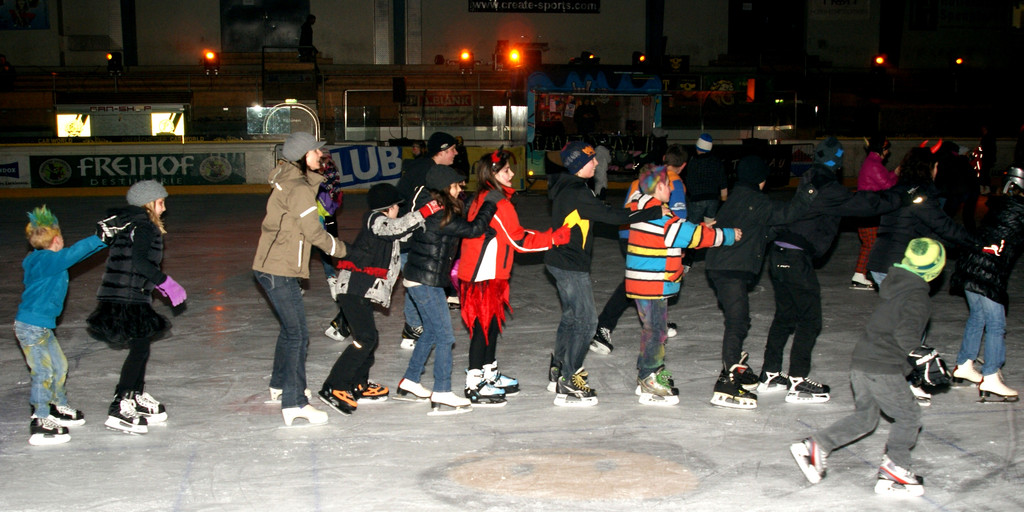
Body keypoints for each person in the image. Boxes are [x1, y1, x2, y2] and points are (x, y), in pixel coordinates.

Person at [791, 238, 947, 497]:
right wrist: (922, 355)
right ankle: (896, 468)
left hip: (862, 362)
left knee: (865, 418)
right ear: (935, 269)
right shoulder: (917, 295)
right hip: (883, 368)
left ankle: (817, 446)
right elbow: (906, 334)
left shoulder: (896, 284)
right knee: (909, 416)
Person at [760, 137, 902, 404]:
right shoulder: (828, 187)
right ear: (837, 162)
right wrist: (899, 197)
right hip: (796, 257)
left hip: (779, 253)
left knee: (785, 316)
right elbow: (865, 205)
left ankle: (770, 373)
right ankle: (798, 380)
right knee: (810, 320)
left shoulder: (809, 178)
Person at [545, 141, 667, 407]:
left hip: (559, 261)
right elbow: (611, 216)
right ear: (579, 164)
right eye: (592, 159)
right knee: (588, 322)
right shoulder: (577, 191)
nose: (597, 163)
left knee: (571, 317)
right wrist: (652, 212)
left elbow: (603, 212)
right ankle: (569, 379)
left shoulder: (568, 186)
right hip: (570, 265)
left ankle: (559, 368)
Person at [457, 149, 570, 407]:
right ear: (493, 173)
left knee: (490, 326)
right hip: (483, 275)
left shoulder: (486, 196)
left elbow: (512, 233)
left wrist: (548, 235)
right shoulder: (498, 202)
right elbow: (519, 241)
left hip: (485, 273)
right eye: (506, 170)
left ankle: (488, 373)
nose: (511, 174)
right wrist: (553, 238)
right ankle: (474, 383)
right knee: (483, 328)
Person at [318, 183, 443, 414]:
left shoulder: (385, 230)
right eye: (397, 207)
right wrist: (424, 212)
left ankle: (359, 384)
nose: (399, 211)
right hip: (353, 289)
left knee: (369, 338)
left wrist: (427, 225)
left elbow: (404, 234)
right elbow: (396, 227)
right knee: (365, 338)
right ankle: (335, 385)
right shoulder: (374, 220)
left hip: (360, 291)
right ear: (390, 207)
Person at [705, 156, 817, 409]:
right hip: (730, 268)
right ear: (761, 180)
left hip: (723, 265)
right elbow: (790, 212)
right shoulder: (757, 201)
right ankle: (728, 381)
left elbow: (758, 229)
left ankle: (734, 366)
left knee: (740, 320)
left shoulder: (737, 198)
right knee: (737, 322)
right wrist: (809, 192)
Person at [253, 132, 347, 427]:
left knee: (290, 331)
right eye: (316, 151)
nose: (322, 155)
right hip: (279, 268)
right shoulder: (298, 188)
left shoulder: (291, 181)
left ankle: (280, 385)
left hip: (273, 264)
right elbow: (315, 233)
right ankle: (294, 403)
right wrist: (345, 251)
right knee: (298, 335)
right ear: (304, 156)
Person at [626, 166, 739, 406]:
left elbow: (681, 231)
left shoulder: (641, 209)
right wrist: (727, 235)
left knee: (651, 329)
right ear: (659, 187)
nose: (671, 189)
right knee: (656, 331)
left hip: (643, 281)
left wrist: (705, 228)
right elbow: (691, 236)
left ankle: (646, 373)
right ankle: (649, 378)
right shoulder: (660, 217)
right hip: (653, 282)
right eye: (668, 185)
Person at [396, 164, 498, 415]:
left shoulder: (438, 208)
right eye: (456, 185)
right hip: (425, 282)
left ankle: (410, 380)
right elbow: (472, 229)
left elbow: (465, 226)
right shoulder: (439, 214)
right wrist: (490, 204)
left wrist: (476, 205)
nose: (460, 189)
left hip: (422, 278)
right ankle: (442, 390)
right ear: (445, 187)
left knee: (432, 333)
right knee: (445, 337)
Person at [15, 206, 121, 445]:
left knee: (59, 366)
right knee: (43, 372)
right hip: (31, 327)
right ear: (57, 240)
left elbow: (73, 257)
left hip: (40, 327)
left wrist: (102, 242)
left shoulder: (43, 260)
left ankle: (57, 406)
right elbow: (73, 254)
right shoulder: (45, 260)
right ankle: (40, 418)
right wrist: (98, 238)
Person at [86, 180, 186, 435]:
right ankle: (120, 404)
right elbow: (140, 262)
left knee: (141, 346)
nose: (164, 208)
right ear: (148, 204)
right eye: (160, 203)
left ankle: (134, 395)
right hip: (126, 297)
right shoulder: (143, 227)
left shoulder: (130, 224)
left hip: (125, 294)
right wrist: (165, 282)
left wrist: (154, 286)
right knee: (140, 348)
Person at [590, 144, 688, 355]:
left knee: (643, 280)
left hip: (629, 233)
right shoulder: (674, 183)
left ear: (664, 158)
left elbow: (629, 207)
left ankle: (655, 320)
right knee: (644, 281)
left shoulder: (645, 178)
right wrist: (680, 247)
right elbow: (678, 219)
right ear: (683, 165)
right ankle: (604, 325)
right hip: (650, 237)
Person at [948, 167, 1024, 402]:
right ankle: (990, 375)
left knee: (978, 316)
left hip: (970, 265)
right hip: (988, 273)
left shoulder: (1001, 205)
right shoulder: (1020, 210)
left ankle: (964, 364)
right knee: (996, 324)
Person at [866, 147, 977, 286]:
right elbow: (945, 227)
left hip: (879, 261)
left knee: (898, 300)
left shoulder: (900, 191)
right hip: (898, 265)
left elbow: (927, 231)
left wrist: (958, 245)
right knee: (910, 300)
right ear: (931, 168)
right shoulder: (920, 196)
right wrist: (978, 243)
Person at [395, 131, 459, 350]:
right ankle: (413, 327)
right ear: (442, 151)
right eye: (452, 149)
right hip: (408, 238)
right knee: (416, 282)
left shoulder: (430, 170)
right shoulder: (425, 172)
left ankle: (413, 327)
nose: (456, 153)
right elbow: (410, 205)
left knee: (416, 281)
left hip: (413, 237)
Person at [850, 134, 896, 290]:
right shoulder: (873, 164)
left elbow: (884, 180)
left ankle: (860, 274)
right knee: (871, 243)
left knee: (870, 243)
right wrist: (897, 174)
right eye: (887, 149)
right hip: (869, 209)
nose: (888, 153)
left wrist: (895, 173)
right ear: (882, 148)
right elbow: (887, 185)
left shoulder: (873, 163)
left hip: (868, 208)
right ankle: (860, 275)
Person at [684, 134, 728, 225]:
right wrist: (723, 202)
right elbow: (723, 184)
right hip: (713, 199)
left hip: (697, 199)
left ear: (697, 147)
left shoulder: (693, 162)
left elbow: (689, 181)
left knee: (693, 227)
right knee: (709, 226)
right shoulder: (716, 161)